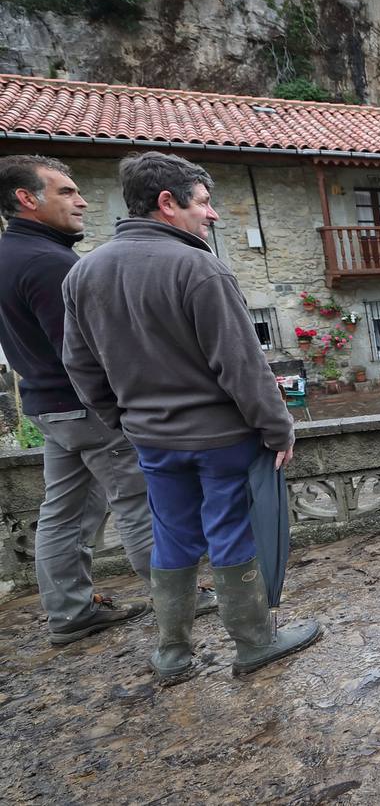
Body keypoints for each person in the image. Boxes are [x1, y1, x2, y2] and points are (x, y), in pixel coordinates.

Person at [62, 152, 321, 683]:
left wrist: (124, 418)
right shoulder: (199, 267)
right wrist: (278, 429)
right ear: (166, 203)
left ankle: (173, 654)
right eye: (203, 202)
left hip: (152, 440)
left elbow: (79, 364)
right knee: (230, 534)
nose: (213, 215)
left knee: (172, 538)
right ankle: (253, 643)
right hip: (222, 439)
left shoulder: (84, 272)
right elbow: (243, 366)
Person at [0, 155, 216, 646]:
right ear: (26, 199)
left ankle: (70, 611)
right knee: (140, 503)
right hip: (87, 409)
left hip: (47, 409)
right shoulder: (50, 263)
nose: (81, 201)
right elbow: (83, 351)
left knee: (62, 511)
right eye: (67, 192)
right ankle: (178, 600)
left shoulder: (8, 255)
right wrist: (124, 405)